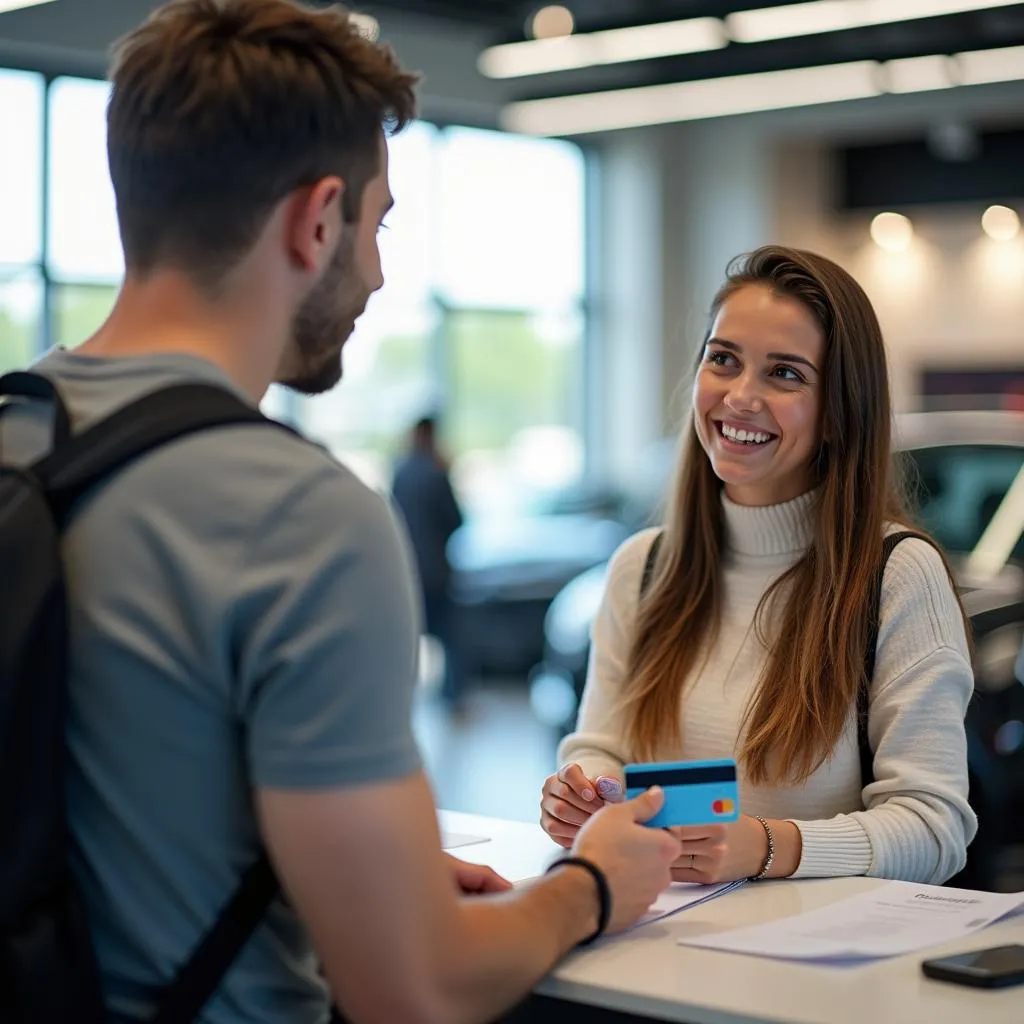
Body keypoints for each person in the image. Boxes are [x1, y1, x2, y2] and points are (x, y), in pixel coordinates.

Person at [0, 2, 684, 1023]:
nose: (376, 268)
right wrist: (591, 887)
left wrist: (341, 875)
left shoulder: (14, 430)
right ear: (317, 220)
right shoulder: (298, 516)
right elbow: (415, 987)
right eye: (378, 223)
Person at [541, 245, 977, 887]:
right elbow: (601, 746)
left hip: (816, 971)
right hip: (657, 944)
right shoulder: (642, 566)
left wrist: (768, 847)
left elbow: (934, 826)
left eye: (786, 374)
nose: (741, 396)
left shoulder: (896, 575)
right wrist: (579, 791)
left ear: (837, 412)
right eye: (724, 360)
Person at [392, 415, 467, 708]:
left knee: (407, 638)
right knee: (453, 638)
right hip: (436, 571)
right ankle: (452, 698)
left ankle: (401, 699)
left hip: (408, 568)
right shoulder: (436, 472)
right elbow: (456, 519)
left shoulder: (401, 471)